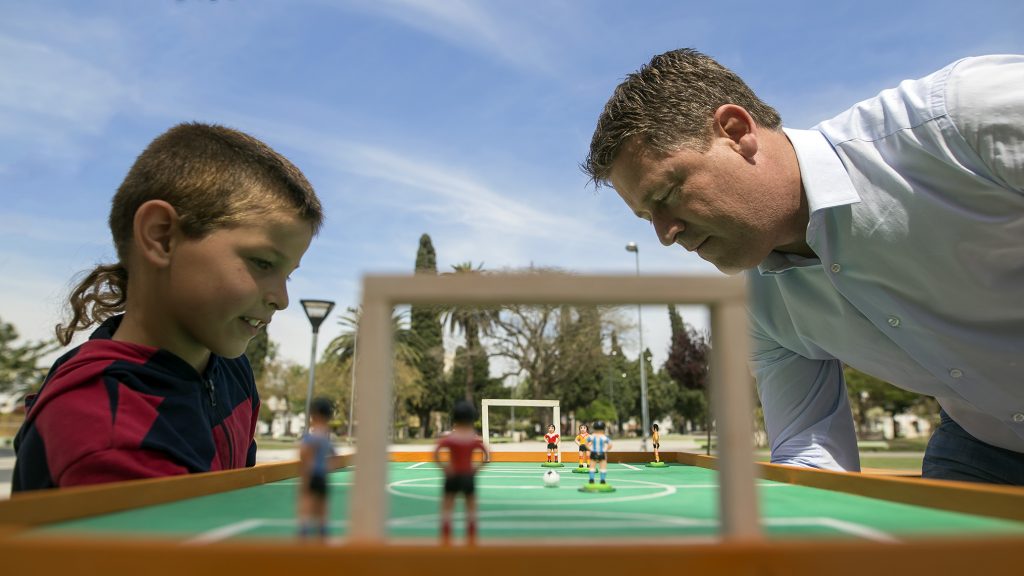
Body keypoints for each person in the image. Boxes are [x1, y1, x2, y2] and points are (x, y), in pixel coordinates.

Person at [584, 49, 1024, 485]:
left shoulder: (962, 117)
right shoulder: (754, 308)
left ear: (736, 132)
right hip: (984, 445)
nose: (665, 233)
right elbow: (811, 455)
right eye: (648, 218)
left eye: (665, 195)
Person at [12, 122, 324, 492]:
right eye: (262, 263)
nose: (281, 298)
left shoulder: (231, 370)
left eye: (287, 275)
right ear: (161, 236)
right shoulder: (105, 428)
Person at [434, 400, 490, 545]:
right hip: (467, 475)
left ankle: (446, 538)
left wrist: (444, 467)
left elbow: (436, 452)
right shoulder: (473, 439)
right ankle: (471, 538)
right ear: (472, 419)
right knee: (471, 506)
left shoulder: (451, 438)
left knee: (447, 506)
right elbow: (486, 455)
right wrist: (476, 469)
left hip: (452, 476)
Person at [298, 397, 335, 540]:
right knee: (322, 501)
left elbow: (303, 454)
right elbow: (334, 456)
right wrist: (328, 466)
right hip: (322, 474)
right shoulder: (326, 438)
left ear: (313, 416)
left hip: (311, 473)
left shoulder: (310, 437)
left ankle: (305, 526)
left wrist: (304, 470)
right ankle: (322, 526)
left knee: (307, 499)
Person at [587, 420, 612, 485]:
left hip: (594, 452)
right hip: (601, 453)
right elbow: (610, 445)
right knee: (603, 467)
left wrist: (590, 449)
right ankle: (602, 480)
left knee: (592, 466)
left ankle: (591, 479)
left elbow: (585, 443)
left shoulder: (592, 436)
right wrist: (605, 450)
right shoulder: (604, 437)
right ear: (603, 429)